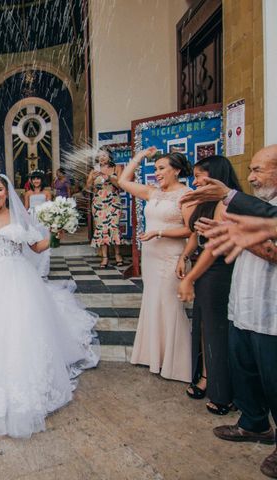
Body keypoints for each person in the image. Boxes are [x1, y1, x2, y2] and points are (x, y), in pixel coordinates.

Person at [0, 174, 99, 438]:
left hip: (18, 280)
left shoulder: (20, 218)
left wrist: (55, 236)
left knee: (20, 332)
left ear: (7, 192)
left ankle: (27, 387)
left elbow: (38, 246)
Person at [192, 145, 277, 479]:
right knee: (246, 369)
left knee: (274, 378)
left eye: (259, 170)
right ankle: (254, 423)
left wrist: (239, 235)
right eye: (251, 170)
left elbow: (272, 252)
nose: (252, 177)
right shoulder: (259, 206)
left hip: (271, 312)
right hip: (245, 304)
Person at [118, 147, 194, 382]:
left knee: (170, 304)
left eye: (162, 168)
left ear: (177, 170)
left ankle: (177, 364)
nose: (157, 173)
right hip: (151, 256)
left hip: (172, 255)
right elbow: (122, 181)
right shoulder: (153, 193)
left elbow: (191, 230)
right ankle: (153, 356)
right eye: (155, 169)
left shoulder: (187, 195)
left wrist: (159, 232)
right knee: (153, 300)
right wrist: (139, 158)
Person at [176, 156, 242, 415]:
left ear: (215, 176)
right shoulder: (205, 201)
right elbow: (196, 233)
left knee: (216, 328)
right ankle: (204, 376)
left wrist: (191, 278)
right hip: (202, 265)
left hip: (218, 269)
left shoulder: (226, 205)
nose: (195, 181)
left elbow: (214, 247)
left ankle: (223, 392)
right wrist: (184, 257)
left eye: (200, 175)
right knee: (202, 326)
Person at [86, 148, 124, 268]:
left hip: (113, 201)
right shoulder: (94, 170)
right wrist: (92, 179)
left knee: (114, 227)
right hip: (99, 202)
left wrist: (109, 178)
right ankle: (104, 257)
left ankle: (118, 254)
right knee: (102, 228)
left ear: (109, 157)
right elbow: (87, 188)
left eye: (104, 155)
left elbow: (121, 186)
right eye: (100, 155)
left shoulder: (117, 168)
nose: (102, 158)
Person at [23, 170, 52, 277]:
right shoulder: (28, 193)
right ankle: (33, 268)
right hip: (32, 219)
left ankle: (43, 269)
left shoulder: (47, 193)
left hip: (43, 219)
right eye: (34, 178)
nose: (36, 181)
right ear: (31, 180)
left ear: (41, 180)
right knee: (32, 241)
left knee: (44, 241)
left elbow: (50, 208)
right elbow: (25, 209)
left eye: (38, 178)